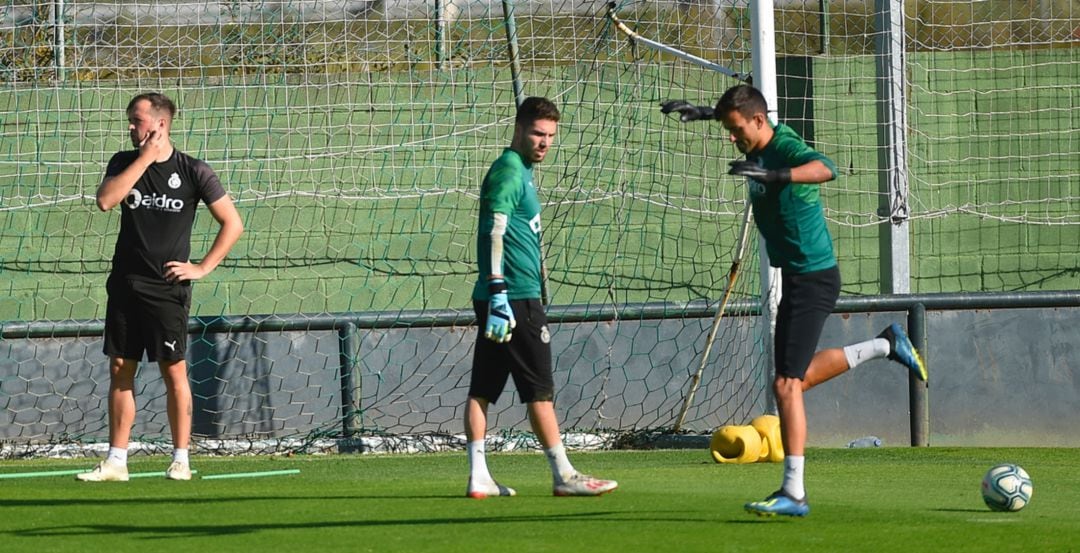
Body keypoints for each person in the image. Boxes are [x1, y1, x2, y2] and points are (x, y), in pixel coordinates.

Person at [662, 85, 927, 517]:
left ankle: (794, 492)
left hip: (813, 278)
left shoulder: (784, 147)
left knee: (786, 385)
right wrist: (706, 113)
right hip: (798, 277)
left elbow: (826, 168)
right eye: (727, 129)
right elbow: (744, 118)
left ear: (760, 121)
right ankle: (885, 345)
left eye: (736, 129)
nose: (732, 138)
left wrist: (778, 176)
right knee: (792, 382)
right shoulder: (757, 132)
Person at [77, 92, 244, 482]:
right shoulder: (124, 162)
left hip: (167, 288)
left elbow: (232, 223)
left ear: (161, 124)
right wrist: (145, 160)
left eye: (137, 121)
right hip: (125, 283)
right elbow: (105, 200)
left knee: (174, 371)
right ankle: (117, 461)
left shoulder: (193, 170)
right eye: (130, 122)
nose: (131, 128)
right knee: (121, 367)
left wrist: (201, 267)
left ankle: (181, 458)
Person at [465, 97, 618, 498]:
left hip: (503, 297)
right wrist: (499, 291)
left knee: (482, 388)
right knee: (540, 390)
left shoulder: (522, 171)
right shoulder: (510, 172)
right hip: (514, 299)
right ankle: (564, 475)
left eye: (551, 135)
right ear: (518, 128)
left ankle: (478, 477)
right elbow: (493, 231)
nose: (544, 142)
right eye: (537, 133)